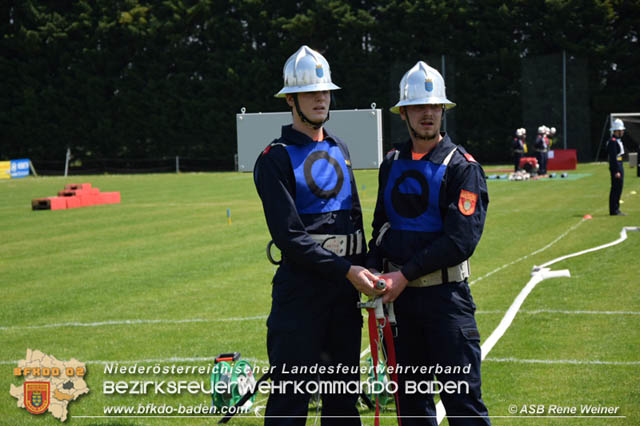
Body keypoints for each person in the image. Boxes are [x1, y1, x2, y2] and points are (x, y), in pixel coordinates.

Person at [253, 45, 381, 425]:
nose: (321, 99)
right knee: (290, 403)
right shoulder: (273, 157)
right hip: (301, 294)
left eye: (324, 91)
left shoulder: (339, 146)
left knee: (342, 403)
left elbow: (355, 221)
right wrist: (348, 271)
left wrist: (369, 269)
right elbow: (290, 236)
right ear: (291, 99)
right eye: (311, 92)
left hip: (343, 295)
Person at [366, 61, 491, 425]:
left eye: (434, 106)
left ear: (443, 110)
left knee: (464, 408)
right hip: (401, 306)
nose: (427, 113)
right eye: (419, 107)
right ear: (404, 113)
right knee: (413, 410)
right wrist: (374, 270)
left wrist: (404, 273)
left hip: (446, 303)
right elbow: (380, 227)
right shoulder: (391, 163)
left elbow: (460, 241)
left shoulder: (462, 167)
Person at [608, 118, 626, 216]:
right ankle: (614, 210)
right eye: (621, 130)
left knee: (619, 188)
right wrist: (616, 171)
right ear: (617, 130)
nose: (622, 131)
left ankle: (616, 208)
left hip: (620, 164)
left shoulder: (617, 140)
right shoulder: (613, 141)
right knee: (616, 188)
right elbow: (613, 157)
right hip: (616, 166)